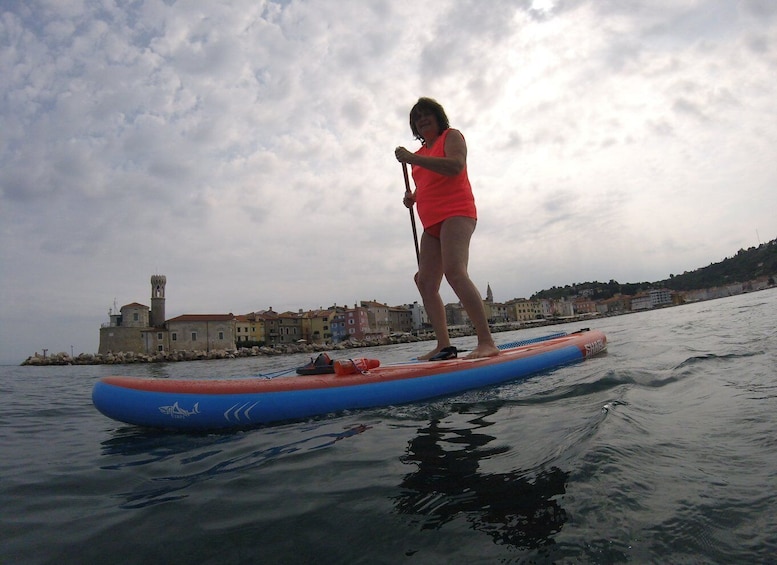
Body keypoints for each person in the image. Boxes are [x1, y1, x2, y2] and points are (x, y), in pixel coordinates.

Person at [395, 97, 499, 360]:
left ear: (438, 116)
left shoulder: (451, 137)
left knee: (454, 271)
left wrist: (410, 157)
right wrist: (414, 197)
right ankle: (443, 345)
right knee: (424, 281)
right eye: (417, 117)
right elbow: (428, 182)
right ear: (414, 126)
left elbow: (454, 166)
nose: (422, 119)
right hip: (431, 223)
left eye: (427, 114)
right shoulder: (419, 157)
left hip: (457, 213)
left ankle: (486, 342)